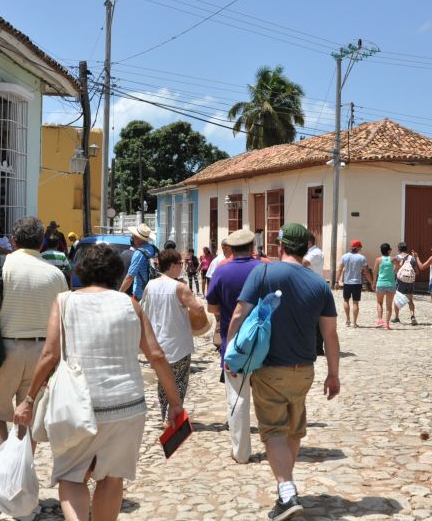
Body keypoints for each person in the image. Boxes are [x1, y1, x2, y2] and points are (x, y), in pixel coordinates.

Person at [13, 243, 184, 521]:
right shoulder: (129, 303)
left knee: (71, 475)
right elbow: (156, 354)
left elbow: (49, 355)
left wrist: (29, 399)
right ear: (116, 272)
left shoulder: (64, 301)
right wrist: (174, 403)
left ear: (81, 270)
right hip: (126, 406)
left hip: (76, 406)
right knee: (112, 478)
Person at [227, 223, 340, 520]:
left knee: (274, 431)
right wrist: (334, 374)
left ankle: (287, 493)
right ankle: (285, 491)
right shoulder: (319, 284)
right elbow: (330, 335)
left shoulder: (263, 272)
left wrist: (231, 355)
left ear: (281, 246)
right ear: (306, 249)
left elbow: (239, 313)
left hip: (270, 369)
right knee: (294, 428)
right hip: (304, 370)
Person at [0, 216, 68, 448]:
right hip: (41, 353)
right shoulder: (55, 274)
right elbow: (65, 318)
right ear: (41, 243)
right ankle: (22, 470)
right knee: (29, 415)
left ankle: (3, 467)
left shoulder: (0, 265)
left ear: (13, 241)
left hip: (3, 348)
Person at [205, 228, 264, 464]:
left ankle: (241, 452)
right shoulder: (263, 269)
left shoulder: (222, 271)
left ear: (230, 248)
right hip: (264, 342)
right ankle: (275, 444)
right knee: (267, 397)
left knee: (237, 397)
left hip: (235, 343)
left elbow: (212, 308)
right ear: (252, 247)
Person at [142, 249, 207, 424]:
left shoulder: (151, 285)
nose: (182, 267)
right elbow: (198, 309)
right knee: (178, 381)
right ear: (172, 265)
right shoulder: (179, 287)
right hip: (178, 342)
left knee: (163, 382)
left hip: (157, 342)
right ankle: (173, 419)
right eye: (180, 264)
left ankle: (165, 415)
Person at [335, 240, 373, 328]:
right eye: (360, 246)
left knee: (346, 300)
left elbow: (340, 269)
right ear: (358, 247)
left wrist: (336, 282)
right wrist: (371, 282)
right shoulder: (361, 258)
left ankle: (348, 320)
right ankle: (355, 323)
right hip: (357, 283)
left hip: (347, 282)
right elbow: (366, 272)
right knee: (355, 302)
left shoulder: (344, 256)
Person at [118, 224, 158, 301]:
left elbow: (130, 277)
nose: (132, 238)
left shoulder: (139, 253)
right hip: (154, 293)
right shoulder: (153, 249)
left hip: (141, 296)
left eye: (134, 236)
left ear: (138, 239)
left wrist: (120, 293)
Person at [302, 233, 326, 354]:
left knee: (316, 320)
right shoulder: (310, 252)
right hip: (309, 287)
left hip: (314, 288)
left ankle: (317, 348)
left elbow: (303, 263)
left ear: (308, 242)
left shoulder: (315, 253)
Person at [372, 243, 396, 330]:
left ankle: (379, 320)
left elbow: (375, 272)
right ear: (389, 250)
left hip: (381, 283)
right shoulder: (393, 259)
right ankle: (387, 324)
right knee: (389, 305)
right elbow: (399, 267)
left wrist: (373, 282)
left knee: (379, 303)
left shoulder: (378, 260)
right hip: (391, 284)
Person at [393, 242, 417, 325]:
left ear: (399, 249)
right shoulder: (412, 258)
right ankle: (412, 316)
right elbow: (416, 271)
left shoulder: (397, 258)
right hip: (410, 281)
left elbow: (396, 269)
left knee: (397, 299)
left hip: (400, 281)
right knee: (410, 300)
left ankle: (396, 317)